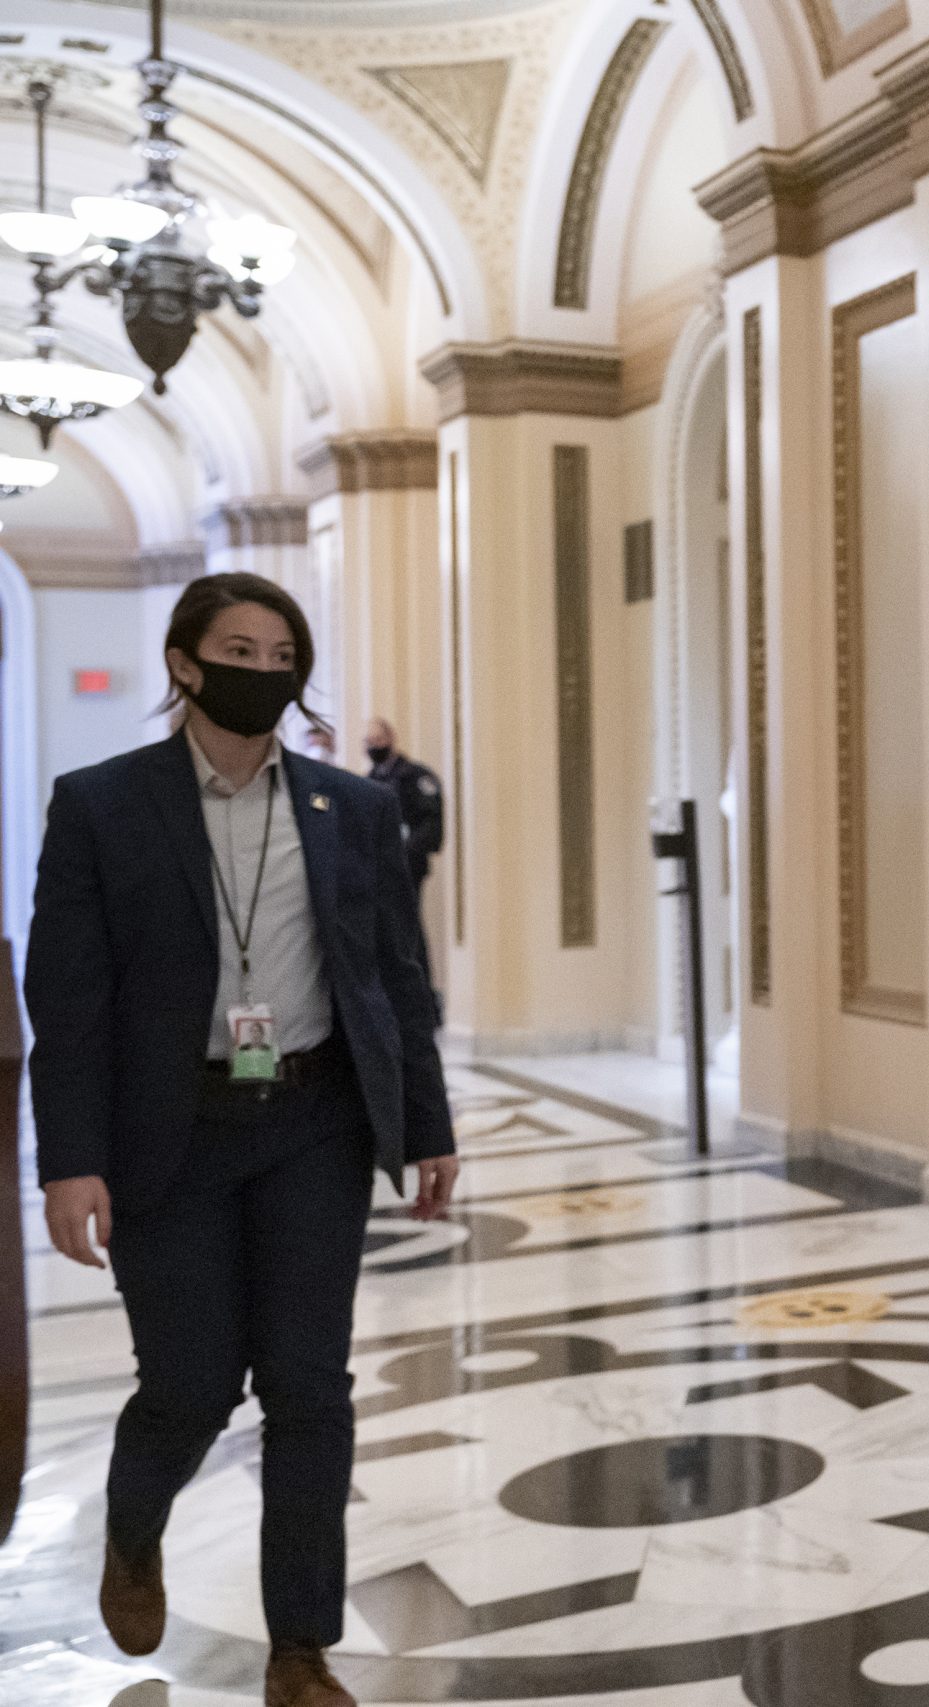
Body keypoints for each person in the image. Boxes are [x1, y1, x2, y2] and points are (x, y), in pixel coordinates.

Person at [27, 572, 459, 1707]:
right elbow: (67, 1000)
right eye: (240, 651)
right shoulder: (102, 804)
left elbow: (392, 978)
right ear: (185, 663)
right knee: (189, 1385)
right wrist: (69, 1160)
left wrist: (427, 1124)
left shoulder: (348, 807)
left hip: (313, 1122)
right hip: (169, 1132)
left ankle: (300, 1652)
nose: (264, 672)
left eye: (282, 656)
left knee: (310, 1390)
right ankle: (132, 1528)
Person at [362, 718, 444, 899]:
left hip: (409, 863)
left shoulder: (416, 776)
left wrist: (407, 849)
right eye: (369, 742)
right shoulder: (369, 780)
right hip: (378, 866)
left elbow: (431, 820)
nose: (374, 746)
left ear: (390, 739)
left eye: (378, 740)